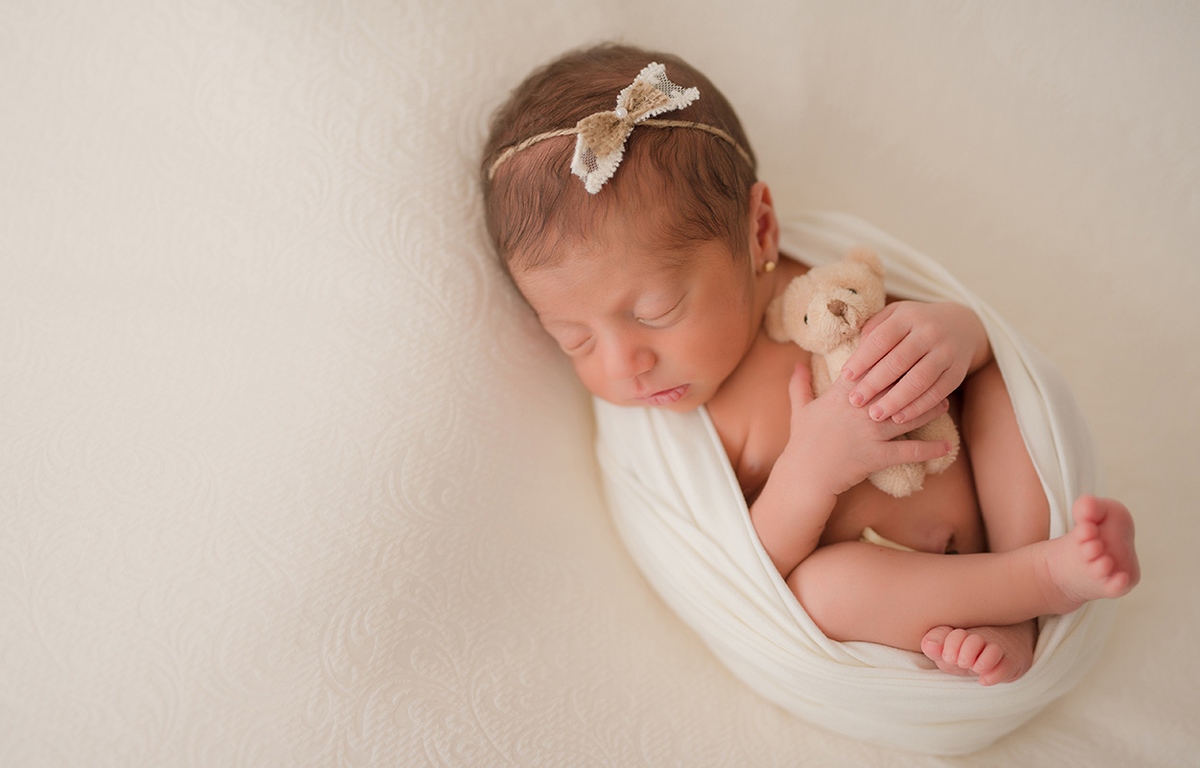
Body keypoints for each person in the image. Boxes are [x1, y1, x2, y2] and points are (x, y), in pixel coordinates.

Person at [481, 43, 1139, 686]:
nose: (626, 364)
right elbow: (751, 572)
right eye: (576, 341)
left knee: (998, 385)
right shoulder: (685, 430)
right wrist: (809, 472)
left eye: (656, 311)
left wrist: (958, 334)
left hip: (996, 505)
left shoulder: (825, 267)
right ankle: (1036, 584)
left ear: (759, 229)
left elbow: (972, 340)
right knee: (824, 591)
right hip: (901, 583)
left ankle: (1025, 567)